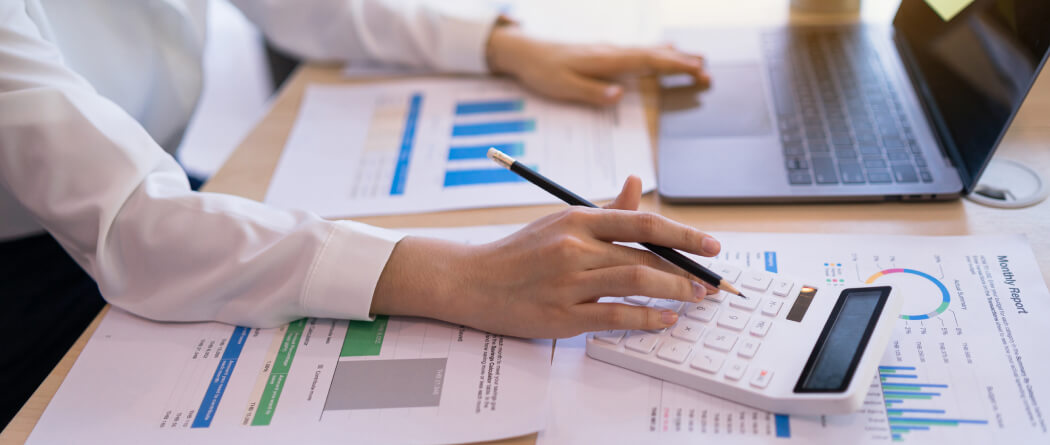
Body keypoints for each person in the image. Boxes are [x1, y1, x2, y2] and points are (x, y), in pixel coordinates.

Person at [0, 0, 715, 427]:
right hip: (36, 264)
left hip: (155, 182)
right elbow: (130, 224)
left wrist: (497, 45)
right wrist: (462, 277)